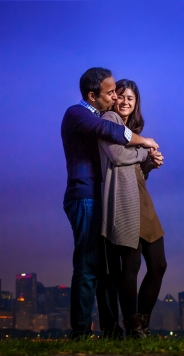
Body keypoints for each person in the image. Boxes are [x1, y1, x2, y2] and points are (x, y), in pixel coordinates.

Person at [61, 68, 159, 340]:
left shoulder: (97, 116)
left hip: (100, 197)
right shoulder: (78, 114)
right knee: (88, 265)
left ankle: (111, 330)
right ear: (92, 96)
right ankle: (80, 333)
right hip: (85, 197)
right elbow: (109, 131)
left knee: (107, 270)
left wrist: (146, 161)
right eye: (110, 91)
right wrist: (144, 143)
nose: (115, 96)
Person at [98, 79, 166, 338]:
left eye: (131, 98)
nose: (125, 101)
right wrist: (144, 149)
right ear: (114, 98)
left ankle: (143, 327)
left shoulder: (130, 129)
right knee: (131, 267)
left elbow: (136, 172)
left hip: (142, 200)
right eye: (122, 96)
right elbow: (117, 156)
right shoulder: (110, 120)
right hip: (124, 203)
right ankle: (134, 329)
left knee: (158, 265)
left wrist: (149, 163)